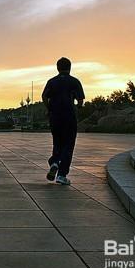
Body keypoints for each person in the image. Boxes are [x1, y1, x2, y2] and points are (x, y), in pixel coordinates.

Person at [42, 57, 84, 185]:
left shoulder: (52, 82)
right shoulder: (74, 81)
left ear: (57, 68)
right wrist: (78, 107)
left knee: (57, 143)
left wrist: (49, 108)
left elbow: (44, 96)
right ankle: (61, 174)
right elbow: (80, 100)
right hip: (69, 117)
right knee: (68, 145)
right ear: (69, 68)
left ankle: (54, 162)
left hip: (55, 117)